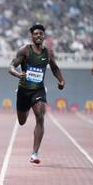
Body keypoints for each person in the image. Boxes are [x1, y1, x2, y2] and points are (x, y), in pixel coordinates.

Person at [8, 23, 65, 164]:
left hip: (38, 90)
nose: (38, 36)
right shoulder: (25, 51)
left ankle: (35, 153)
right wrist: (17, 74)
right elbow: (10, 66)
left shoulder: (48, 53)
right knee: (22, 121)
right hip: (23, 90)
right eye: (36, 34)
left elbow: (55, 68)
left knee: (40, 116)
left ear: (44, 36)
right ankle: (26, 107)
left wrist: (61, 80)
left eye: (41, 33)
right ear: (32, 36)